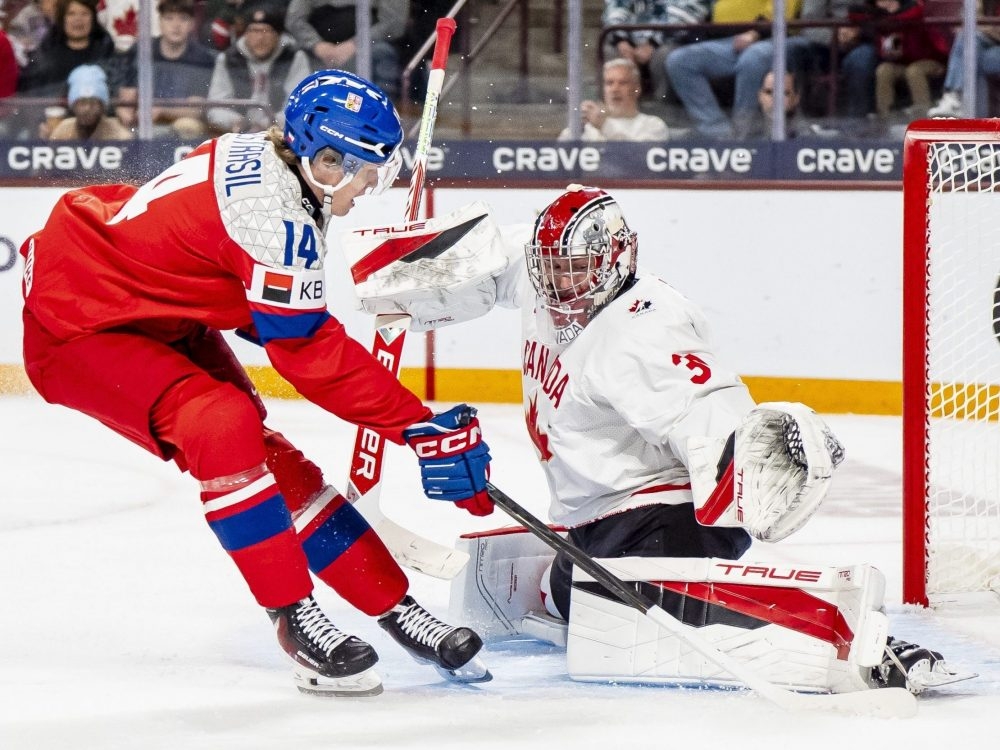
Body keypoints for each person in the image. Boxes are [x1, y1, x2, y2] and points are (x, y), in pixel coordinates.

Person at [345, 184, 965, 695]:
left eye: (575, 271)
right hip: (597, 520)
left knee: (650, 619)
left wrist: (754, 467)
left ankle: (870, 646)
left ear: (616, 258)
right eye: (551, 271)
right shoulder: (547, 273)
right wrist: (404, 276)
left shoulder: (642, 331)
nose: (561, 288)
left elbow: (712, 418)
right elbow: (481, 261)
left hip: (666, 516)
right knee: (569, 599)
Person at [19, 68, 493, 697]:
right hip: (79, 323)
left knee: (263, 457)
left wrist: (393, 407)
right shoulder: (276, 218)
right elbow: (305, 352)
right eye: (363, 171)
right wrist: (416, 426)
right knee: (222, 424)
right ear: (324, 160)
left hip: (147, 305)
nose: (369, 187)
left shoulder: (275, 164)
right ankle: (294, 616)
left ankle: (394, 607)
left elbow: (249, 297)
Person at [665, 0, 804, 137]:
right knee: (679, 60)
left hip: (777, 36)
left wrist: (755, 33)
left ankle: (742, 133)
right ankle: (718, 131)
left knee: (753, 57)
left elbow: (783, 9)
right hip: (729, 39)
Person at [115, 0, 216, 138]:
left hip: (181, 123)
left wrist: (161, 110)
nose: (176, 25)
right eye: (169, 18)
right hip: (142, 121)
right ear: (160, 22)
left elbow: (195, 110)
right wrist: (127, 114)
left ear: (192, 24)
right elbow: (127, 98)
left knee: (188, 126)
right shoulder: (141, 49)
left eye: (183, 19)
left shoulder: (202, 57)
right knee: (119, 132)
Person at [206, 0, 311, 133]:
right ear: (245, 33)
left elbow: (300, 106)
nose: (260, 38)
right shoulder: (228, 59)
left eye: (267, 31)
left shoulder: (293, 57)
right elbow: (216, 106)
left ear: (278, 35)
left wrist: (270, 123)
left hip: (279, 134)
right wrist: (236, 121)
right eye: (254, 31)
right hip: (236, 133)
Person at [285, 0, 407, 100]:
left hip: (369, 46)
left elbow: (394, 22)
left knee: (382, 52)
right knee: (289, 54)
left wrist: (356, 44)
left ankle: (378, 115)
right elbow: (294, 20)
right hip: (317, 48)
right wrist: (317, 45)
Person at [601, 0, 712, 103]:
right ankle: (621, 107)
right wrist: (621, 40)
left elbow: (687, 14)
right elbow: (615, 7)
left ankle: (661, 107)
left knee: (664, 55)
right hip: (630, 37)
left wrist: (654, 43)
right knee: (611, 52)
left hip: (673, 38)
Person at [868, 0, 950, 122]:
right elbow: (892, 52)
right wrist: (890, 53)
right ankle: (885, 116)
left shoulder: (918, 13)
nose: (878, 3)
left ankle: (922, 115)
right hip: (905, 63)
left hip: (934, 61)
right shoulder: (887, 23)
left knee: (914, 70)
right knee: (884, 69)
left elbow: (938, 46)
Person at [16, 0, 116, 96]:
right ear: (62, 19)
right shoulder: (43, 58)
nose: (78, 19)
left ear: (93, 19)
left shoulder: (107, 54)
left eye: (84, 13)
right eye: (71, 14)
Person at [557, 57, 669, 141]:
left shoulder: (653, 125)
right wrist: (576, 128)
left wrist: (604, 125)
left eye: (622, 83)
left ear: (637, 89)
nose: (615, 89)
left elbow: (638, 159)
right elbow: (560, 157)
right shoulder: (589, 127)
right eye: (609, 83)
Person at [928, 0, 1000, 117]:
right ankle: (960, 104)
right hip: (987, 45)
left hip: (993, 46)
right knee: (971, 51)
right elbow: (967, 21)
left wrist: (981, 29)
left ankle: (955, 97)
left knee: (969, 48)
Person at [48, 62, 132, 139]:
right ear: (73, 105)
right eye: (82, 102)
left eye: (93, 103)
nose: (87, 109)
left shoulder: (120, 136)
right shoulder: (63, 130)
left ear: (102, 106)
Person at [744, 69, 805, 137]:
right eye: (769, 92)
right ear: (760, 96)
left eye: (784, 93)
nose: (775, 100)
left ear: (796, 98)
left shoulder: (808, 134)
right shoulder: (743, 130)